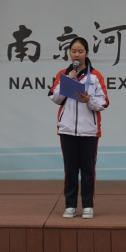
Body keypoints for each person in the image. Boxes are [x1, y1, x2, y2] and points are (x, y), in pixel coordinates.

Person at [48, 37, 109, 219]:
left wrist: (89, 99)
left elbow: (104, 102)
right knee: (70, 170)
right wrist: (68, 80)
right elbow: (55, 98)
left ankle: (88, 205)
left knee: (88, 170)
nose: (76, 55)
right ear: (69, 53)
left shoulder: (95, 76)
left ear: (86, 53)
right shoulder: (63, 74)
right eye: (73, 51)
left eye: (80, 51)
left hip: (89, 131)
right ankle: (70, 205)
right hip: (67, 129)